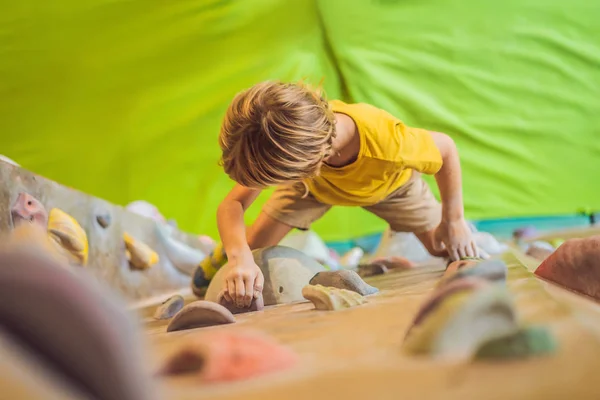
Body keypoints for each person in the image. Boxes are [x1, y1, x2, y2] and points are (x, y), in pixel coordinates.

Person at [193, 80, 477, 308]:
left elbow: (447, 147)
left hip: (391, 187)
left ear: (310, 161)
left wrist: (454, 220)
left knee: (444, 247)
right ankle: (222, 253)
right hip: (311, 187)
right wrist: (238, 255)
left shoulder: (389, 143)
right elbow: (232, 203)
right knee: (252, 246)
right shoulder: (284, 138)